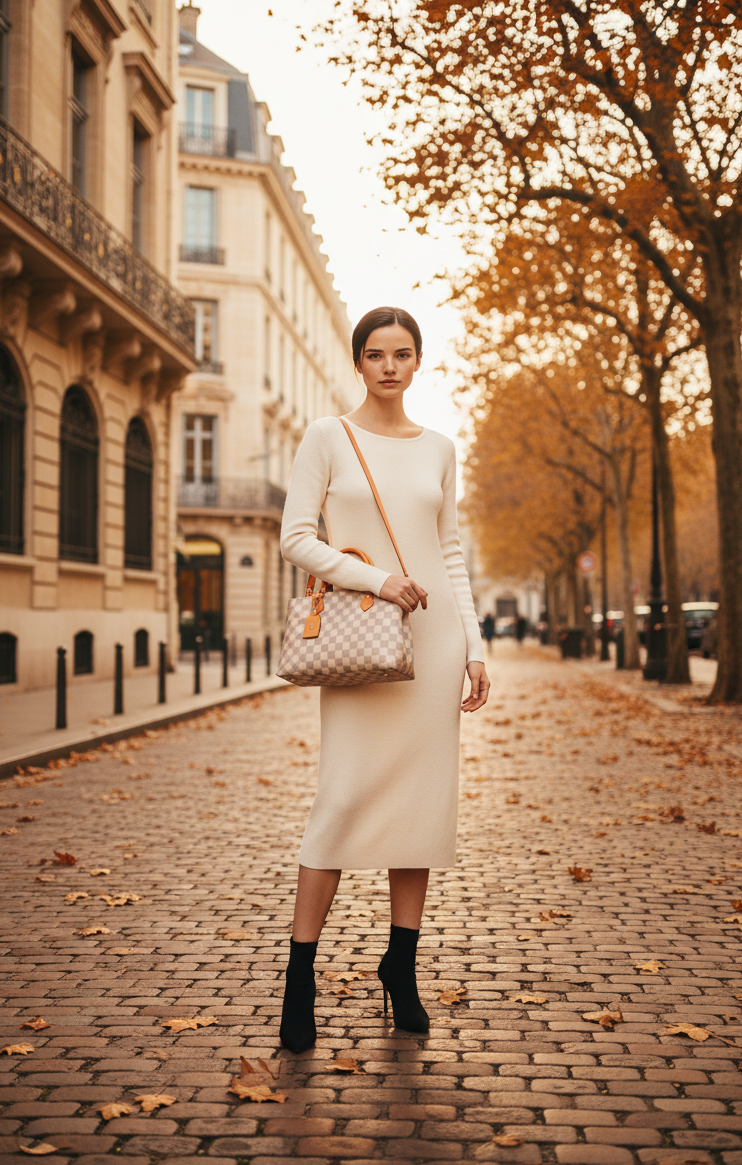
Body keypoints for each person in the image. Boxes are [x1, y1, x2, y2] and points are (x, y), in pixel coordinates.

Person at [278, 305, 490, 1053]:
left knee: (420, 812)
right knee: (338, 802)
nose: (389, 365)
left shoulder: (439, 448)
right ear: (359, 360)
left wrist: (474, 645)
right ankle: (298, 978)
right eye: (376, 353)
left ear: (418, 360)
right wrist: (376, 578)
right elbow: (296, 538)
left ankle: (399, 967)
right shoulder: (326, 437)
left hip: (433, 648)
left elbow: (452, 551)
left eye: (402, 353)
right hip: (364, 642)